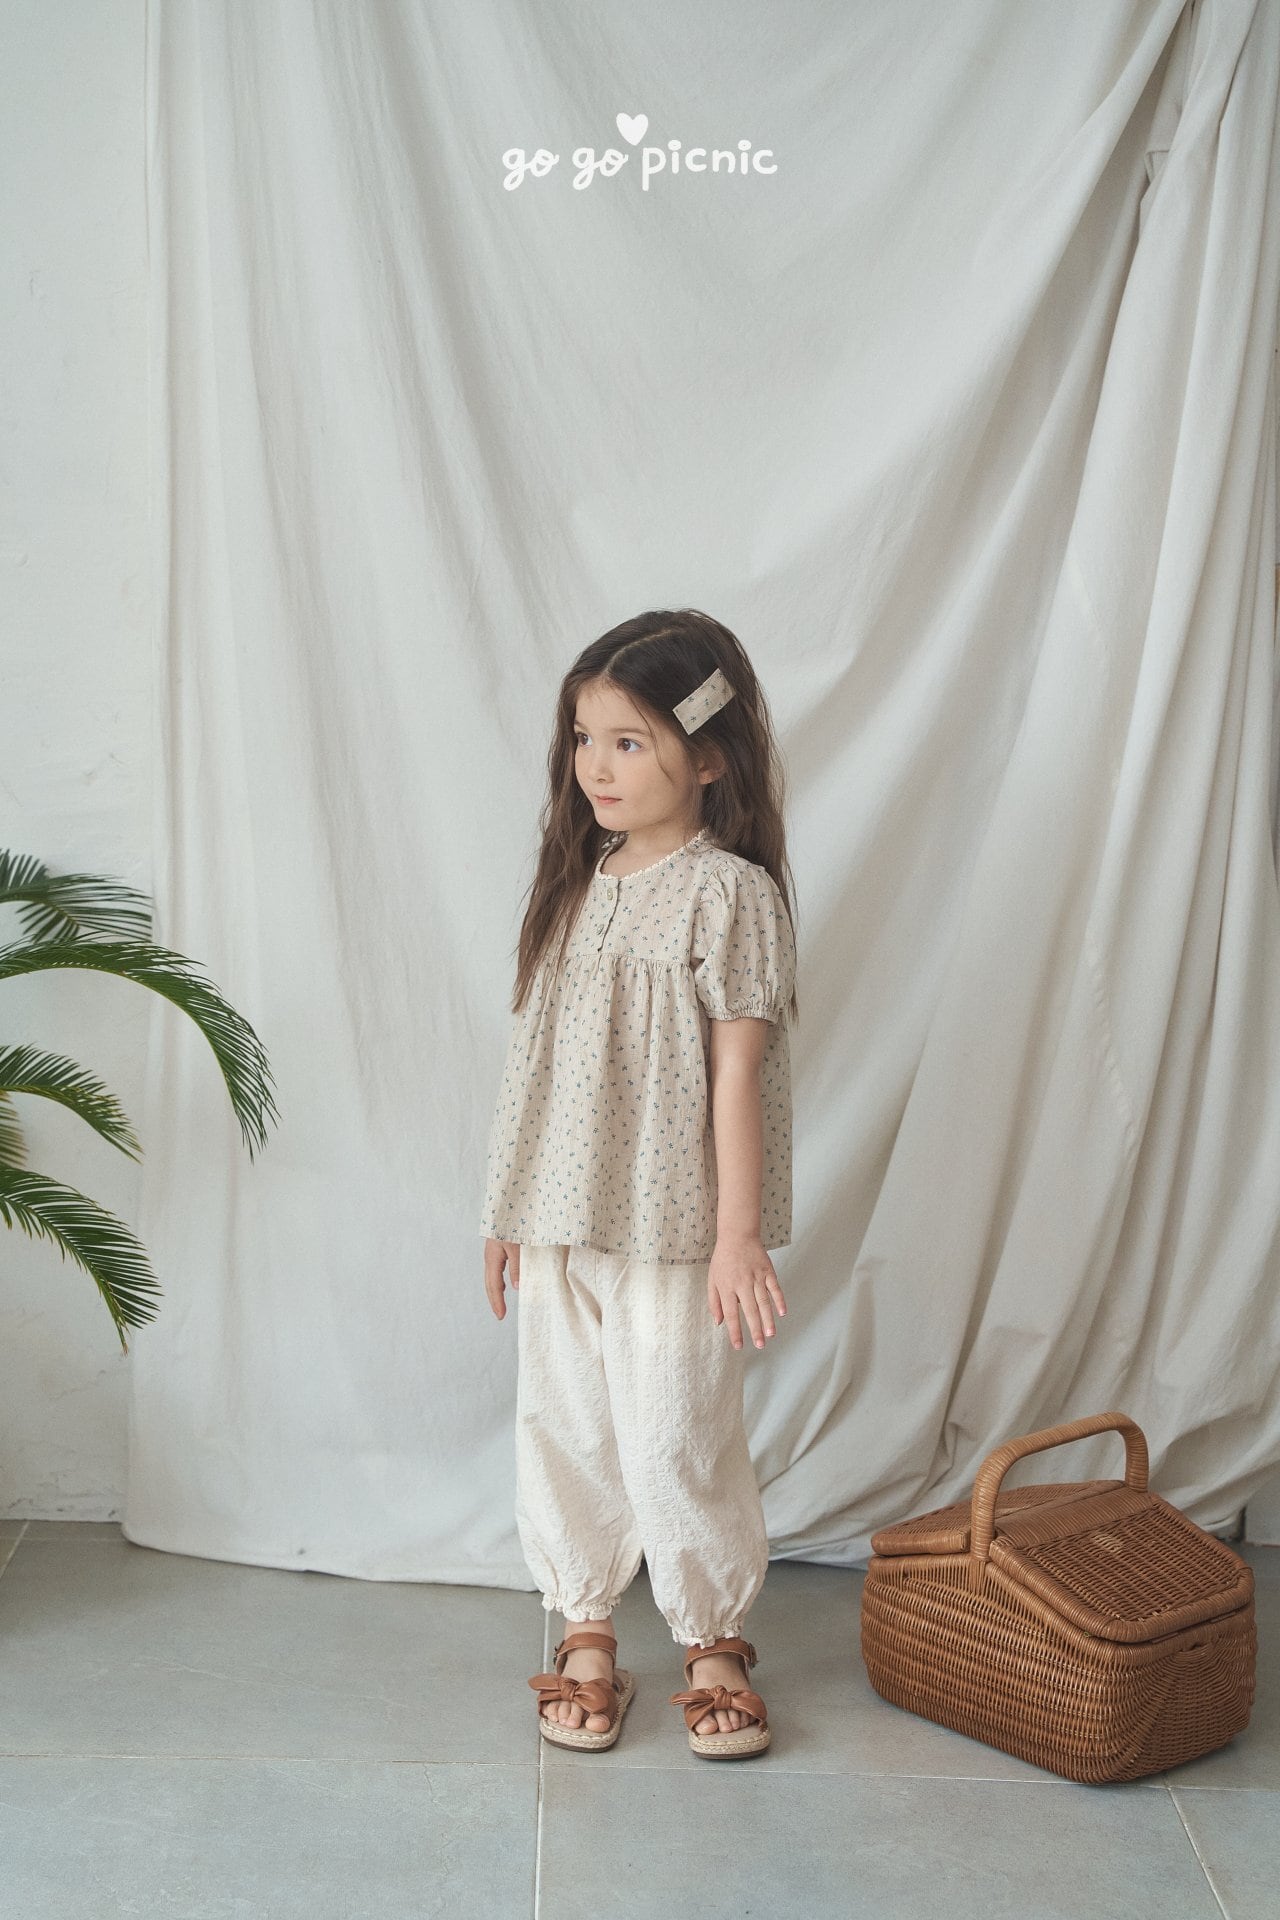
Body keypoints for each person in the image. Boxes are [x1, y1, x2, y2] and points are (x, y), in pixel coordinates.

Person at [480, 607, 799, 1760]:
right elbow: (532, 1057)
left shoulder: (729, 895)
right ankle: (584, 1630)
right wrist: (503, 1208)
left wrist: (737, 1235)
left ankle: (711, 1639)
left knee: (674, 1430)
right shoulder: (575, 881)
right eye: (583, 739)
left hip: (672, 1223)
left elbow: (736, 1072)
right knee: (563, 1420)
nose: (595, 767)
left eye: (627, 741)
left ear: (707, 756)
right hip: (557, 1215)